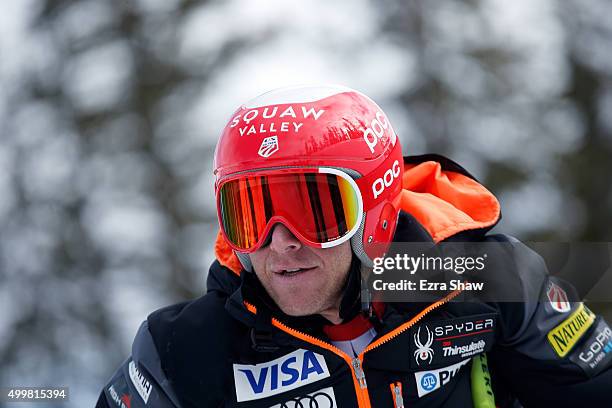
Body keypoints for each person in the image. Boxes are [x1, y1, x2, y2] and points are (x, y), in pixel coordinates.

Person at [96, 85, 612, 408]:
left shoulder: (481, 276)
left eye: (313, 212)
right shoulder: (184, 352)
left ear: (377, 212)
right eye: (251, 213)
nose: (279, 243)